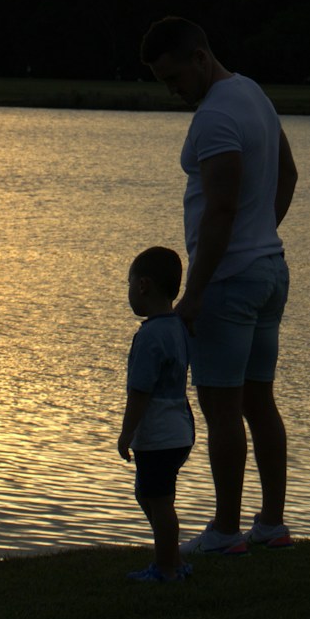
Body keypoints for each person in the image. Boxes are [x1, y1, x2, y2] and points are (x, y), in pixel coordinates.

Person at [138, 16, 297, 556]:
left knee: (223, 410)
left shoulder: (215, 117)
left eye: (174, 77)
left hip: (229, 282)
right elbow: (289, 174)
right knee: (260, 403)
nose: (172, 90)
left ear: (200, 58)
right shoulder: (252, 93)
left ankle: (227, 532)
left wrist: (196, 293)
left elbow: (222, 207)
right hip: (269, 271)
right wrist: (263, 236)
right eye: (163, 82)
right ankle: (271, 525)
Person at [118, 244, 195, 582]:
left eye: (130, 284)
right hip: (179, 429)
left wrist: (126, 432)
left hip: (160, 434)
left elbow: (140, 391)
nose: (130, 292)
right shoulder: (177, 326)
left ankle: (166, 568)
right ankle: (172, 559)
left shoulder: (150, 336)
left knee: (159, 500)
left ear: (144, 285)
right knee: (151, 494)